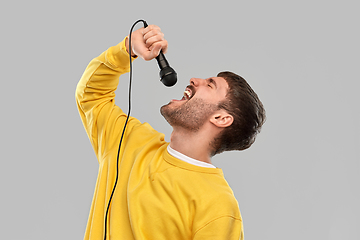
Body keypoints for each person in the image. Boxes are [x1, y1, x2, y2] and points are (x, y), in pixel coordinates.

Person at [76, 24, 265, 240]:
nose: (194, 79)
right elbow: (91, 96)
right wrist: (128, 49)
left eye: (210, 85)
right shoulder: (130, 142)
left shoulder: (217, 205)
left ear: (221, 118)